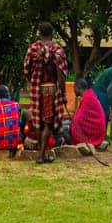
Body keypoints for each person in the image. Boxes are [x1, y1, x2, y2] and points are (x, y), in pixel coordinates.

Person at [23, 22, 68, 164]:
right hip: (50, 89)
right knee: (48, 123)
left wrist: (33, 81)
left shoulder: (32, 49)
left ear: (39, 33)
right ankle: (42, 155)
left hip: (36, 89)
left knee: (37, 121)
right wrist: (63, 93)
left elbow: (26, 70)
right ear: (52, 33)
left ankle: (41, 153)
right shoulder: (57, 49)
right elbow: (61, 74)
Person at [69, 77, 109, 150]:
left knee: (66, 129)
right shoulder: (88, 95)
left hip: (96, 131)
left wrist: (72, 124)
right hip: (97, 129)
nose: (74, 90)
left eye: (74, 88)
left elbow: (79, 119)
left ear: (78, 87)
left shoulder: (88, 98)